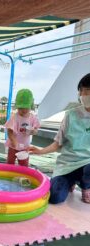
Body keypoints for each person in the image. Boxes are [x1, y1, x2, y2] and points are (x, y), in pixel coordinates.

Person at [29, 73, 90, 204]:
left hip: (87, 165)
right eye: (82, 90)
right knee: (54, 197)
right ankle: (69, 182)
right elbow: (58, 144)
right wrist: (39, 151)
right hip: (67, 165)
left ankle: (86, 187)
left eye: (88, 90)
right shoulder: (70, 115)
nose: (84, 94)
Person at [5, 88, 40, 166]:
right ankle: (9, 176)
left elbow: (36, 130)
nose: (24, 110)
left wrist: (33, 131)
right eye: (21, 108)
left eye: (26, 108)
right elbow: (9, 131)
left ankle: (22, 177)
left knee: (24, 165)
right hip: (13, 146)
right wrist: (14, 141)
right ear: (17, 106)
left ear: (30, 106)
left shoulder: (33, 118)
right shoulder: (14, 117)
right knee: (10, 164)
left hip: (25, 147)